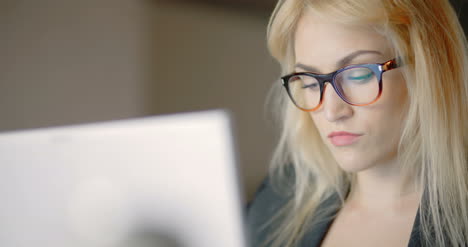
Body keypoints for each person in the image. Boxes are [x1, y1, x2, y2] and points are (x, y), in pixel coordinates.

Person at [246, 0, 468, 246]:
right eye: (309, 82)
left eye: (358, 75)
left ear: (429, 69)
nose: (331, 111)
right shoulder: (270, 208)